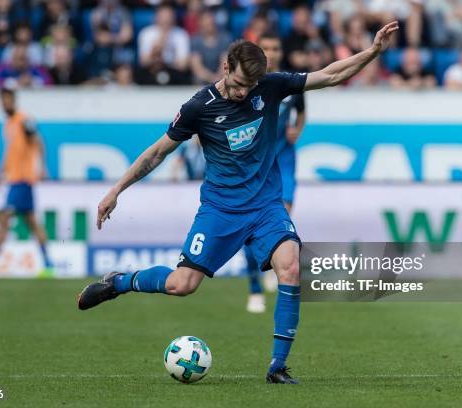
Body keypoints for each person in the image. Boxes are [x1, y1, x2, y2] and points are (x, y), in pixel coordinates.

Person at [77, 22, 399, 384]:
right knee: (182, 285)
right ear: (226, 66)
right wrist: (116, 190)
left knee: (291, 266)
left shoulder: (271, 87)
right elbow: (156, 153)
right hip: (220, 210)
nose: (244, 92)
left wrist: (372, 52)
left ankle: (277, 367)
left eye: (250, 86)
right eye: (239, 84)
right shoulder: (199, 107)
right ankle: (119, 283)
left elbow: (329, 75)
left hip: (265, 207)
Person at [242, 32, 307, 314]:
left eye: (275, 47)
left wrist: (297, 130)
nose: (272, 51)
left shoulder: (288, 83)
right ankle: (254, 289)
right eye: (266, 47)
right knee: (248, 226)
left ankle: (274, 261)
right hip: (257, 163)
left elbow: (302, 111)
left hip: (285, 159)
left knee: (281, 219)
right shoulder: (248, 85)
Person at [0, 85, 54, 278]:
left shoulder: (23, 119)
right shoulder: (8, 123)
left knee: (4, 215)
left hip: (23, 179)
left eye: (8, 99)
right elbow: (11, 151)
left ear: (14, 99)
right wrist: (1, 171)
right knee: (32, 223)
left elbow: (38, 141)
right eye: (2, 99)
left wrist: (42, 166)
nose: (5, 103)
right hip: (14, 179)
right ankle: (49, 264)